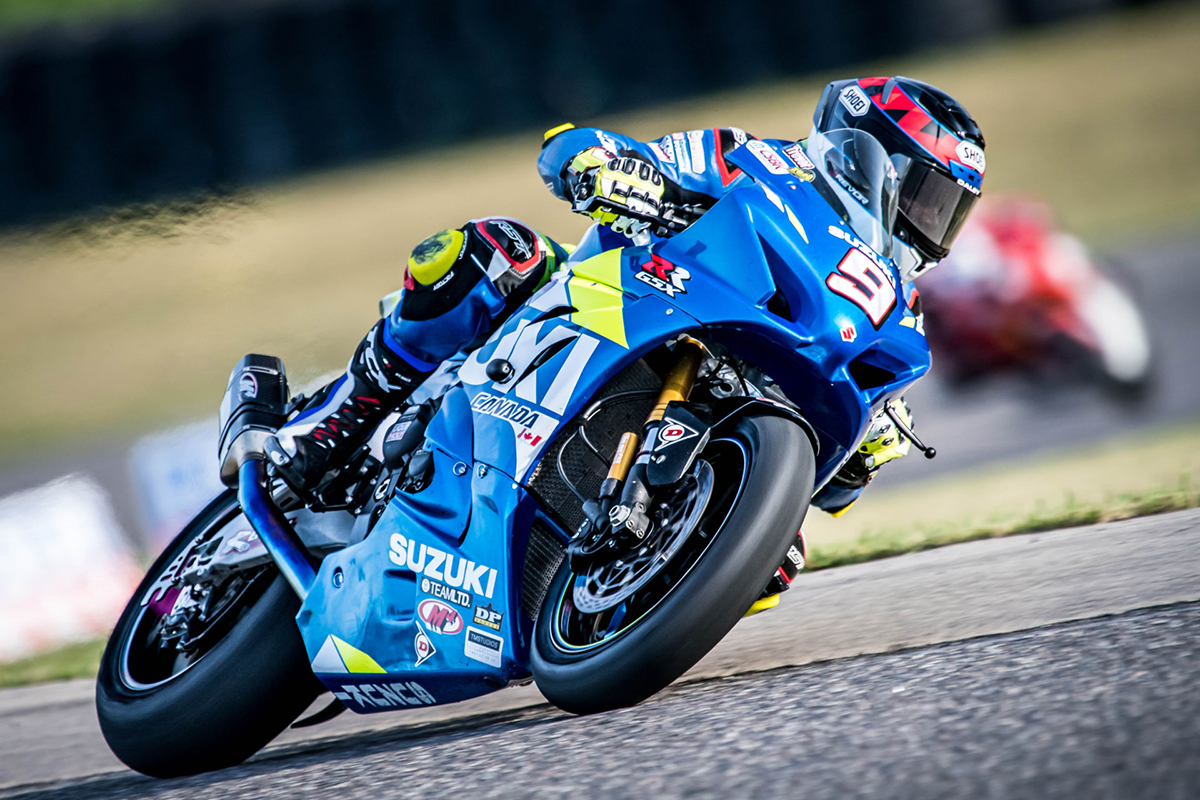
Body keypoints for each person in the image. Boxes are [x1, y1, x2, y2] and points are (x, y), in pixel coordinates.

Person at [264, 75, 986, 524]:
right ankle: (330, 425)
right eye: (926, 194)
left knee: (781, 559)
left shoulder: (898, 313)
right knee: (494, 252)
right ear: (870, 153)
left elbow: (828, 493)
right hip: (598, 306)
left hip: (726, 396)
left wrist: (862, 454)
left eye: (948, 208)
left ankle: (618, 586)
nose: (931, 222)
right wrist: (608, 171)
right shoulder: (753, 159)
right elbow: (593, 150)